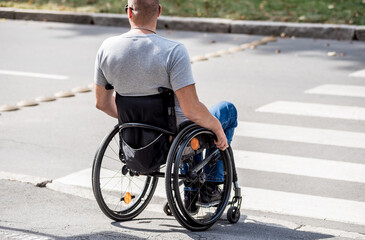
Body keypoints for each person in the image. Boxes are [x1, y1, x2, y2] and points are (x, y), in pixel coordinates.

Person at [94, 0, 237, 212]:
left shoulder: (107, 48)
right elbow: (192, 109)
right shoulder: (173, 51)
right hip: (174, 139)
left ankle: (193, 192)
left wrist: (134, 121)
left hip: (135, 137)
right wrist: (217, 128)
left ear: (129, 13)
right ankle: (209, 186)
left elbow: (102, 103)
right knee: (226, 111)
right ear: (159, 11)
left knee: (192, 123)